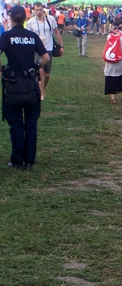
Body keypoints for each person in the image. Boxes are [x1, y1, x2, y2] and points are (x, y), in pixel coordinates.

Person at [0, 5, 50, 170]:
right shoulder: (32, 36)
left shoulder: (7, 36)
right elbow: (45, 58)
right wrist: (35, 67)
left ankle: (16, 160)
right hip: (31, 85)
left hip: (13, 85)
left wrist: (3, 70)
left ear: (11, 18)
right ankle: (29, 160)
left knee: (16, 124)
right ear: (24, 18)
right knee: (31, 124)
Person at [26, 2, 63, 101]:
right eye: (36, 10)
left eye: (40, 9)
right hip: (37, 49)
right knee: (40, 70)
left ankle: (42, 88)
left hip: (49, 48)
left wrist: (61, 45)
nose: (38, 12)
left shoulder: (50, 19)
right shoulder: (30, 22)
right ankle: (41, 93)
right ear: (33, 10)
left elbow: (57, 32)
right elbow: (28, 36)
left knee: (47, 74)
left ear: (43, 9)